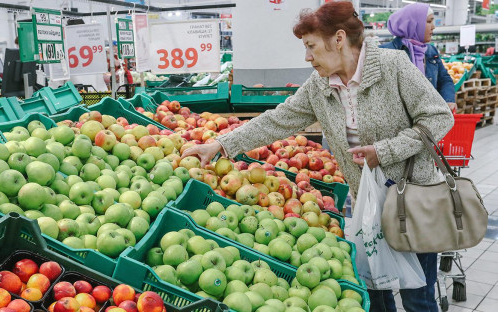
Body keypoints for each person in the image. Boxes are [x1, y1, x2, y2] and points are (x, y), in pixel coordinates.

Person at [182, 2, 453, 311]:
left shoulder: (394, 66)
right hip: (366, 204)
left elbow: (438, 118)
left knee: (418, 299)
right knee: (374, 294)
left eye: (311, 46)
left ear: (339, 39)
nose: (307, 57)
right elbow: (277, 119)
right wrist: (220, 144)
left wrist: (385, 151)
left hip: (412, 202)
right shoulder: (319, 86)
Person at [381, 3, 457, 112]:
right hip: (398, 120)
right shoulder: (386, 51)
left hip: (427, 115)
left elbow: (444, 79)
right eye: (429, 21)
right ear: (413, 24)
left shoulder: (431, 51)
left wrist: (449, 99)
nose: (433, 26)